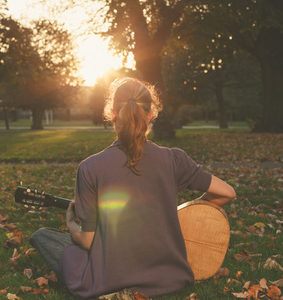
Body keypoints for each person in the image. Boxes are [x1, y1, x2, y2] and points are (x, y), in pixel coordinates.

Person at [29, 77, 236, 299]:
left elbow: (88, 241)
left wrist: (71, 224)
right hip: (170, 278)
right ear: (150, 115)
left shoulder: (90, 167)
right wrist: (180, 219)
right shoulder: (174, 159)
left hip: (109, 279)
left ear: (113, 113)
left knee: (44, 236)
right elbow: (227, 192)